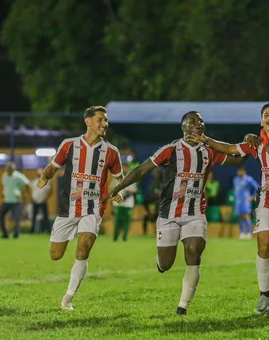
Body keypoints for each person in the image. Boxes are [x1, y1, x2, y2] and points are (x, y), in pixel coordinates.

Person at [105, 111, 246, 316]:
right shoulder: (170, 150)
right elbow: (141, 170)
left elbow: (238, 160)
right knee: (166, 263)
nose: (198, 124)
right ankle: (161, 261)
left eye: (201, 121)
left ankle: (183, 305)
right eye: (193, 122)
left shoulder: (209, 151)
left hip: (195, 212)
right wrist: (117, 188)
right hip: (168, 213)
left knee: (193, 251)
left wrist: (247, 142)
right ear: (183, 127)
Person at [187, 104, 269, 315]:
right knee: (263, 247)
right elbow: (230, 149)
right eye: (266, 115)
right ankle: (264, 294)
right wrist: (206, 140)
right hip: (267, 203)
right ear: (261, 121)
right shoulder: (256, 144)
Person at [38, 106, 124, 311]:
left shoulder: (111, 151)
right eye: (100, 120)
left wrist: (119, 191)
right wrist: (44, 178)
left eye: (106, 120)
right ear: (88, 121)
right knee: (55, 255)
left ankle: (68, 298)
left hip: (94, 208)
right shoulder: (69, 145)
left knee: (84, 247)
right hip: (68, 207)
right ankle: (68, 290)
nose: (105, 124)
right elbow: (53, 167)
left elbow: (120, 177)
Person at [0, 162, 30, 239]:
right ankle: (5, 234)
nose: (9, 171)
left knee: (16, 218)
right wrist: (3, 193)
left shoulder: (18, 176)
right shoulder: (4, 176)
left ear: (13, 170)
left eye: (11, 170)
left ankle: (16, 234)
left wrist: (23, 194)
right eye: (8, 169)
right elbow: (3, 185)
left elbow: (27, 184)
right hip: (7, 200)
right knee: (0, 215)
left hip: (16, 201)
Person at [113, 164, 137, 242]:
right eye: (123, 168)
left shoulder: (132, 178)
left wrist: (127, 192)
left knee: (126, 222)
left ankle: (124, 237)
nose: (125, 169)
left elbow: (135, 190)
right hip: (118, 202)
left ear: (128, 168)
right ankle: (115, 238)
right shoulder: (117, 178)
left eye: (126, 168)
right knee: (117, 221)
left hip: (128, 203)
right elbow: (112, 189)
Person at [233, 167, 259, 239]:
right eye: (238, 171)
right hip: (238, 201)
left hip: (245, 200)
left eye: (240, 171)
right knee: (240, 216)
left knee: (247, 216)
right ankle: (242, 233)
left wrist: (252, 196)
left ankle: (249, 233)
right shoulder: (235, 179)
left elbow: (257, 187)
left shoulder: (248, 179)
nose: (239, 172)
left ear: (244, 171)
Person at [30, 167, 52, 234]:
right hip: (35, 201)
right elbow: (31, 190)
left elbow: (50, 191)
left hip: (43, 201)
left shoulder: (46, 182)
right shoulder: (34, 182)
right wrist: (32, 198)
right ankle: (32, 230)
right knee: (33, 216)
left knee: (45, 216)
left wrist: (46, 199)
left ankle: (48, 230)